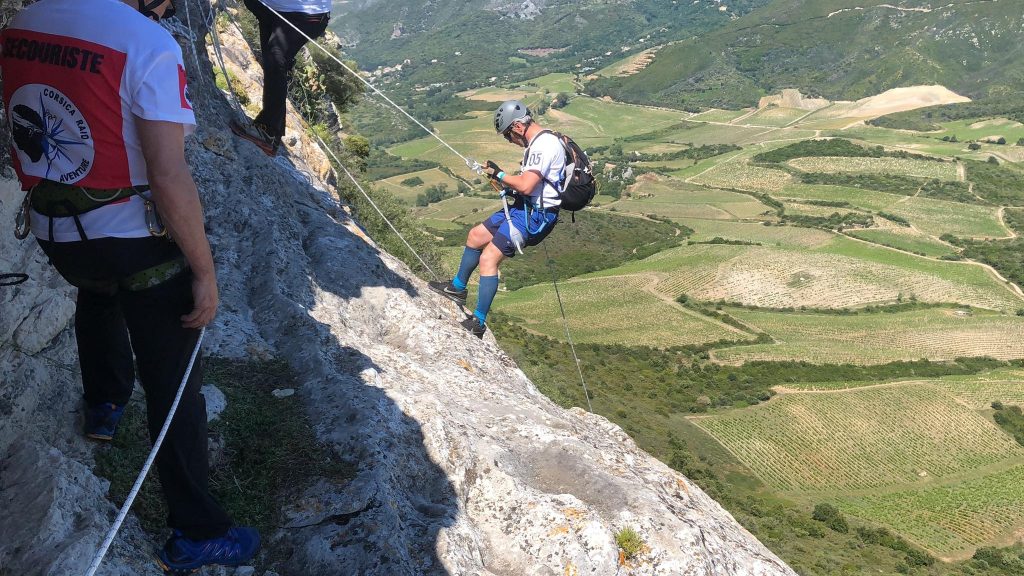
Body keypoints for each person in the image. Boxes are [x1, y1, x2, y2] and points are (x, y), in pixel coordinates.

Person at [0, 0, 259, 571]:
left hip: (53, 229)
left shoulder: (25, 23)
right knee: (174, 378)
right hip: (127, 239)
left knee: (97, 292)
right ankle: (197, 531)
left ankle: (103, 406)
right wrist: (204, 269)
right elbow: (168, 174)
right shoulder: (147, 44)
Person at [429, 100, 564, 338]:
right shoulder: (539, 142)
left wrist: (499, 173)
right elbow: (529, 187)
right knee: (475, 236)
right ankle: (458, 289)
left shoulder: (543, 145)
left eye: (508, 136)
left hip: (536, 216)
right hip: (525, 207)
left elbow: (526, 184)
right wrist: (502, 179)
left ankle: (478, 323)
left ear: (518, 128)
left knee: (489, 258)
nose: (508, 140)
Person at [230, 0, 331, 156]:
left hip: (303, 15)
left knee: (276, 59)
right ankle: (272, 134)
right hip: (274, 9)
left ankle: (268, 131)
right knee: (273, 62)